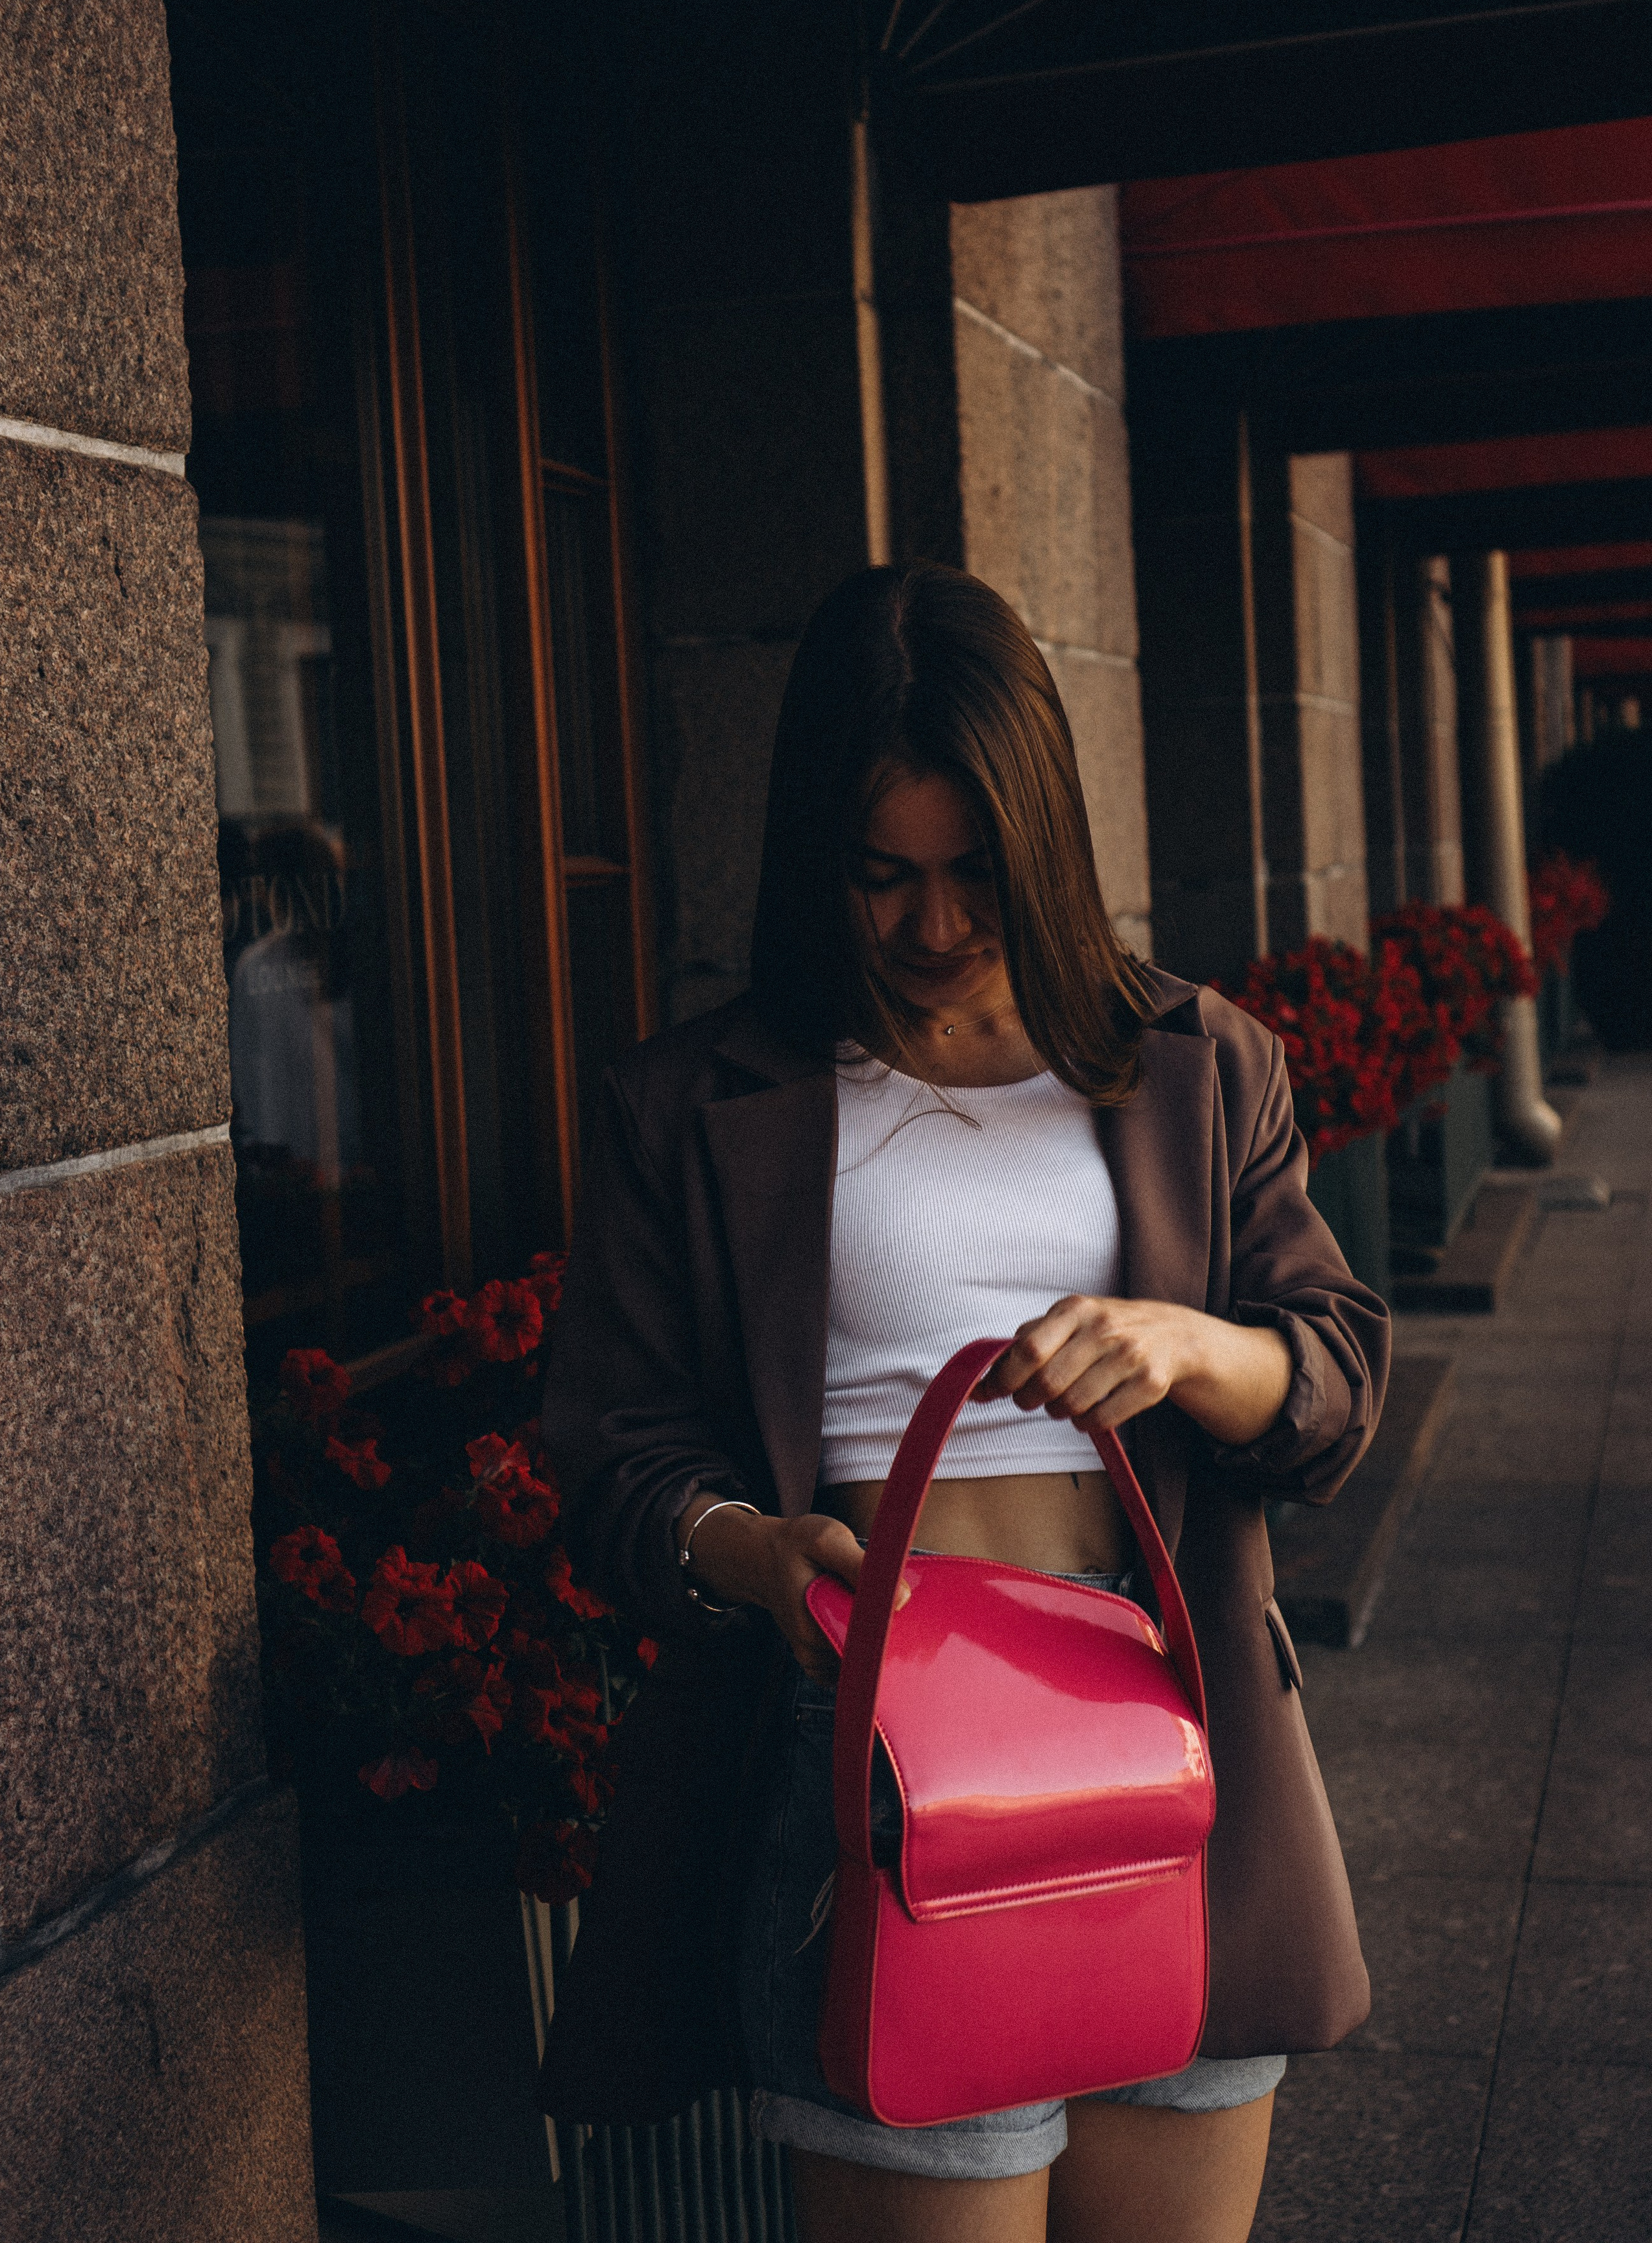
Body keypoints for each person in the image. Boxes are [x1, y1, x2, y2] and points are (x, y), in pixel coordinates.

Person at [539, 565, 1388, 2243]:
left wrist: (1187, 1347)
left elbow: (1336, 1376)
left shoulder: (1198, 1064)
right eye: (883, 877)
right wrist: (754, 1553)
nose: (933, 926)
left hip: (1168, 1744)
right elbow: (613, 1452)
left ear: (1050, 847)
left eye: (979, 875)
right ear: (815, 859)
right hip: (883, 1765)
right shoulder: (697, 1102)